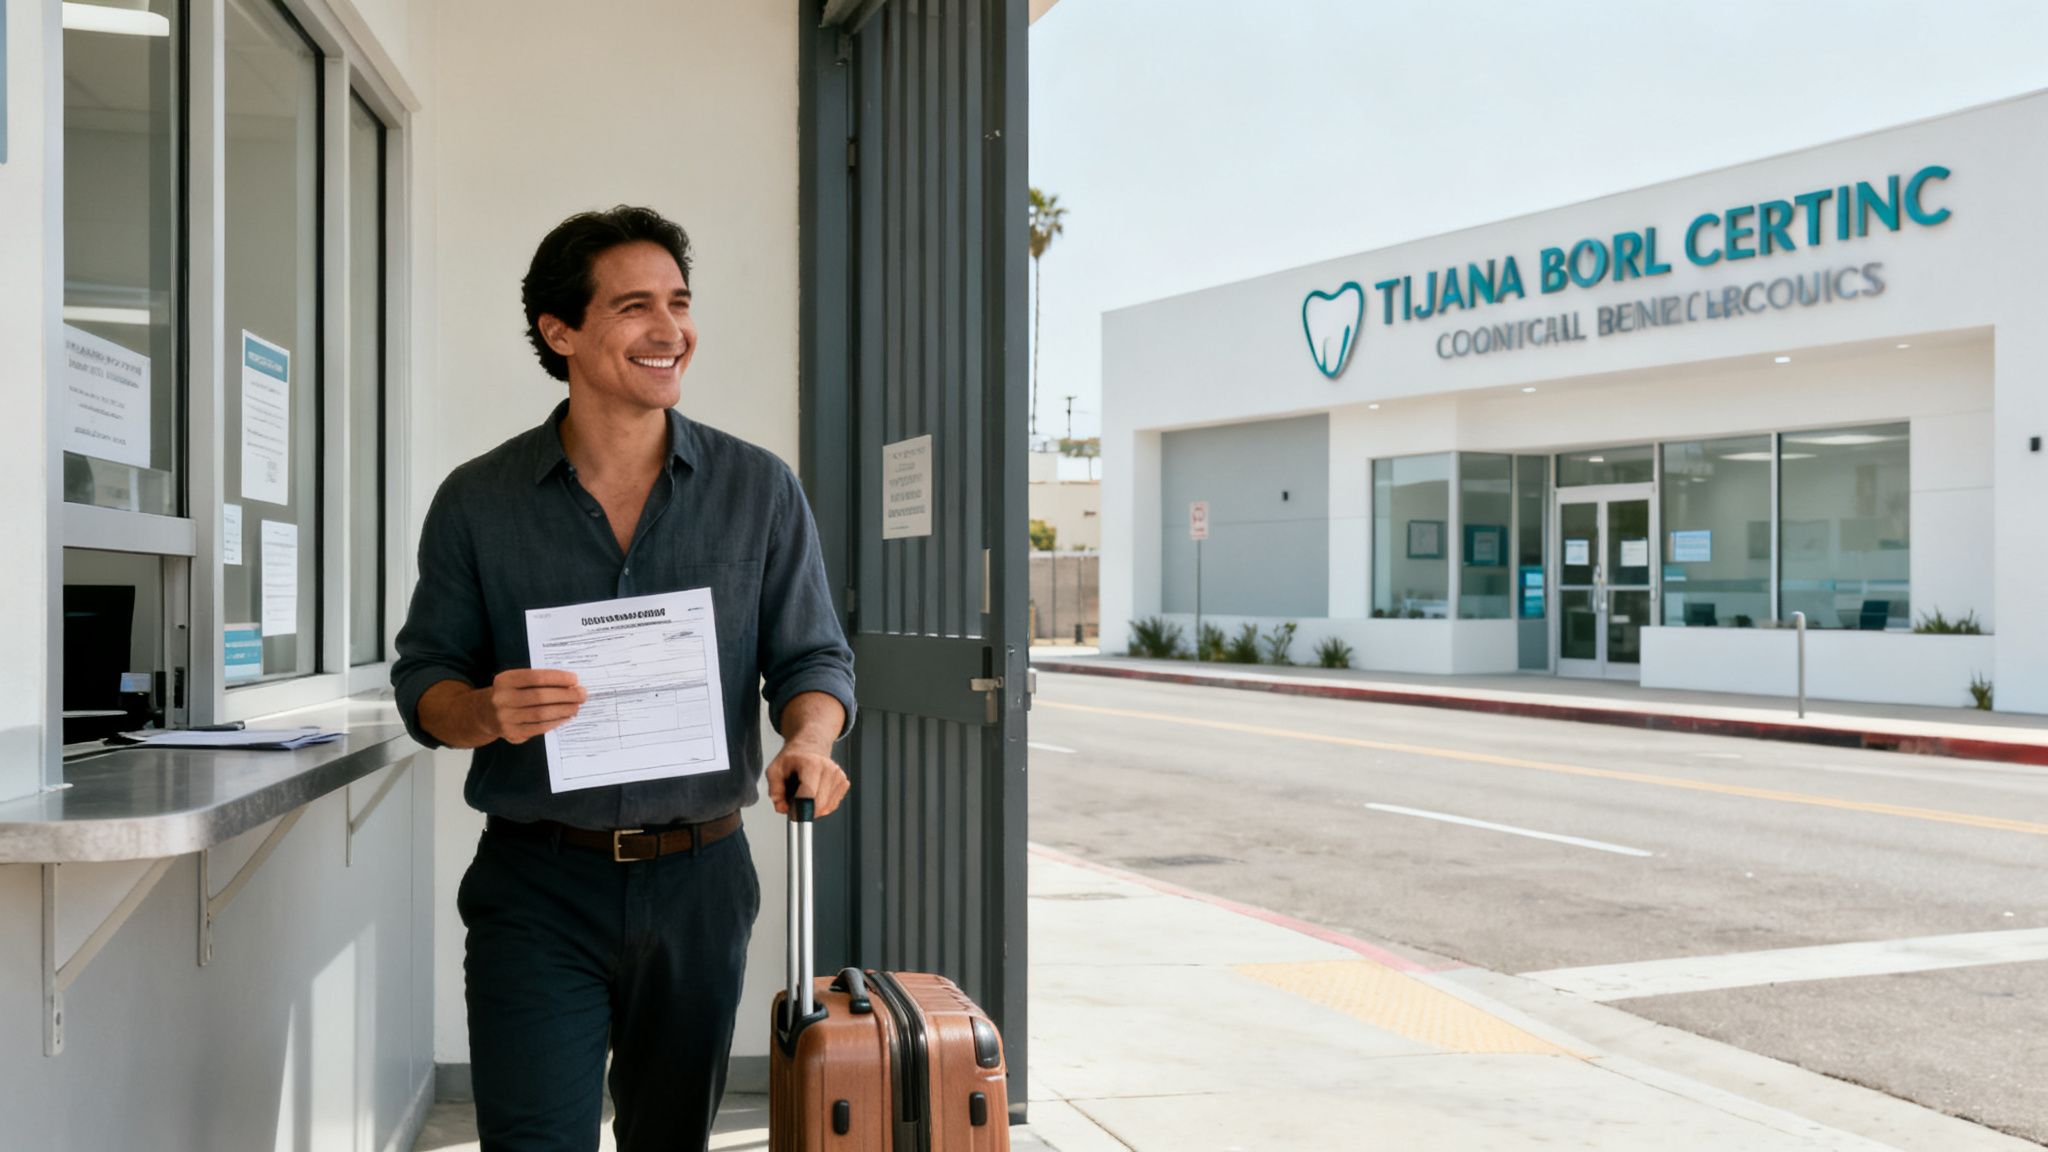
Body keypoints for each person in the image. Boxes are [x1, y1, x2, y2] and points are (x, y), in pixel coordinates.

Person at [391, 205, 856, 1152]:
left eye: (679, 303)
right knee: (533, 1141)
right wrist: (481, 710)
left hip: (702, 881)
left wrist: (808, 739)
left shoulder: (758, 488)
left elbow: (812, 657)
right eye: (635, 306)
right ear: (560, 332)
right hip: (537, 883)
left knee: (668, 1139)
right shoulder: (478, 500)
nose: (671, 330)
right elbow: (426, 679)